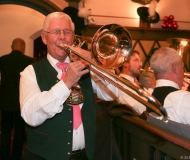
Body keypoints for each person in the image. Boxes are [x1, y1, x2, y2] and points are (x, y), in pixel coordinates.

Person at [19, 12, 118, 160]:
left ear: (73, 37)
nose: (62, 37)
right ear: (44, 38)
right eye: (55, 32)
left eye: (67, 32)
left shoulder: (86, 67)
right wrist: (66, 83)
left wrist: (93, 60)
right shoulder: (30, 72)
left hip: (83, 156)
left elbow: (112, 93)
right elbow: (30, 115)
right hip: (43, 156)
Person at [0, 38, 34, 160]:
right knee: (20, 130)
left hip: (5, 102)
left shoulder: (2, 60)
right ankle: (17, 155)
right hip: (21, 102)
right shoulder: (29, 61)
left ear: (11, 46)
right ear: (23, 47)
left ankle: (3, 155)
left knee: (5, 130)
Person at [117, 50, 155, 114]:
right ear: (125, 63)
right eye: (136, 60)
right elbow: (141, 110)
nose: (141, 64)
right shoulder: (121, 85)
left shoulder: (136, 83)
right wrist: (152, 87)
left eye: (140, 61)